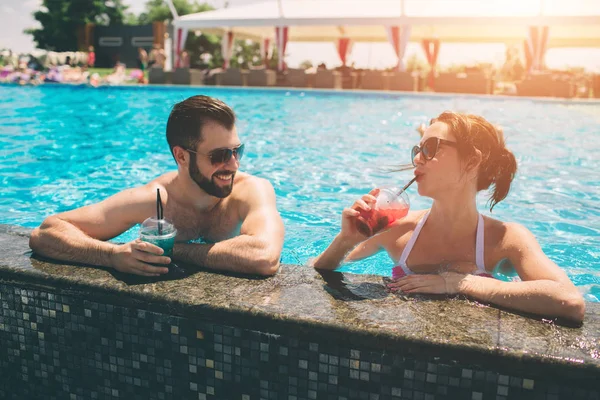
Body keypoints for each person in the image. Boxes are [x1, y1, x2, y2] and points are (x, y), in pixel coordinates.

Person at [312, 111, 585, 323]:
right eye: (417, 150)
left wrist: (458, 283)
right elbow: (318, 270)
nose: (418, 158)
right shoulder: (396, 230)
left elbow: (569, 300)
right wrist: (345, 240)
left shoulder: (505, 238)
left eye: (430, 147)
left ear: (472, 161)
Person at [30, 95, 285, 277]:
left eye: (237, 151)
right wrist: (112, 255)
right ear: (182, 156)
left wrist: (174, 251)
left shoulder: (252, 190)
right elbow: (46, 233)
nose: (233, 165)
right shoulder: (156, 200)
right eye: (219, 155)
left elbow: (264, 256)